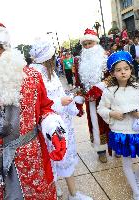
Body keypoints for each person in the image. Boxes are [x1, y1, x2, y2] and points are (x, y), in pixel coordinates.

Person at [0, 21, 67, 199]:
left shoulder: (31, 76)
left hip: (32, 155)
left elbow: (45, 108)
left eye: (2, 48)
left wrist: (54, 129)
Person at [29, 40, 92, 200]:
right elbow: (38, 103)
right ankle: (64, 192)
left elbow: (55, 93)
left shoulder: (49, 72)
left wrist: (68, 98)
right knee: (55, 158)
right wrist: (59, 102)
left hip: (60, 121)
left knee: (62, 156)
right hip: (50, 126)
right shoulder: (34, 75)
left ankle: (70, 193)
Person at [98, 51, 139, 200]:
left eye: (126, 68)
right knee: (127, 164)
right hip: (121, 133)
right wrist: (112, 114)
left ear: (131, 69)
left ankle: (137, 178)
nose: (123, 72)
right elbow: (101, 108)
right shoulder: (109, 91)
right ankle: (137, 192)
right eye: (118, 70)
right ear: (112, 73)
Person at [75, 28, 110, 163]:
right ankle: (100, 150)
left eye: (90, 43)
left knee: (111, 122)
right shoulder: (79, 62)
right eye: (85, 44)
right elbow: (78, 82)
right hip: (91, 100)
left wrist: (99, 87)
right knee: (95, 124)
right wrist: (79, 98)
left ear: (96, 43)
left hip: (107, 97)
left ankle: (116, 147)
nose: (88, 47)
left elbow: (112, 77)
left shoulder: (105, 59)